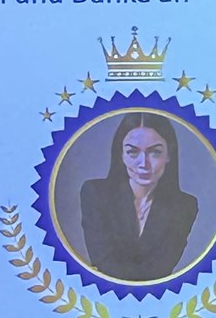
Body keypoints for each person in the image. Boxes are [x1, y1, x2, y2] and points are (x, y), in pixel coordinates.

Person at [78, 112, 199, 282]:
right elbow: (103, 261)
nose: (143, 163)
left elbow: (162, 268)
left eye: (155, 152)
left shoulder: (185, 206)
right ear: (121, 154)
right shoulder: (95, 194)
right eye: (132, 152)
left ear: (169, 155)